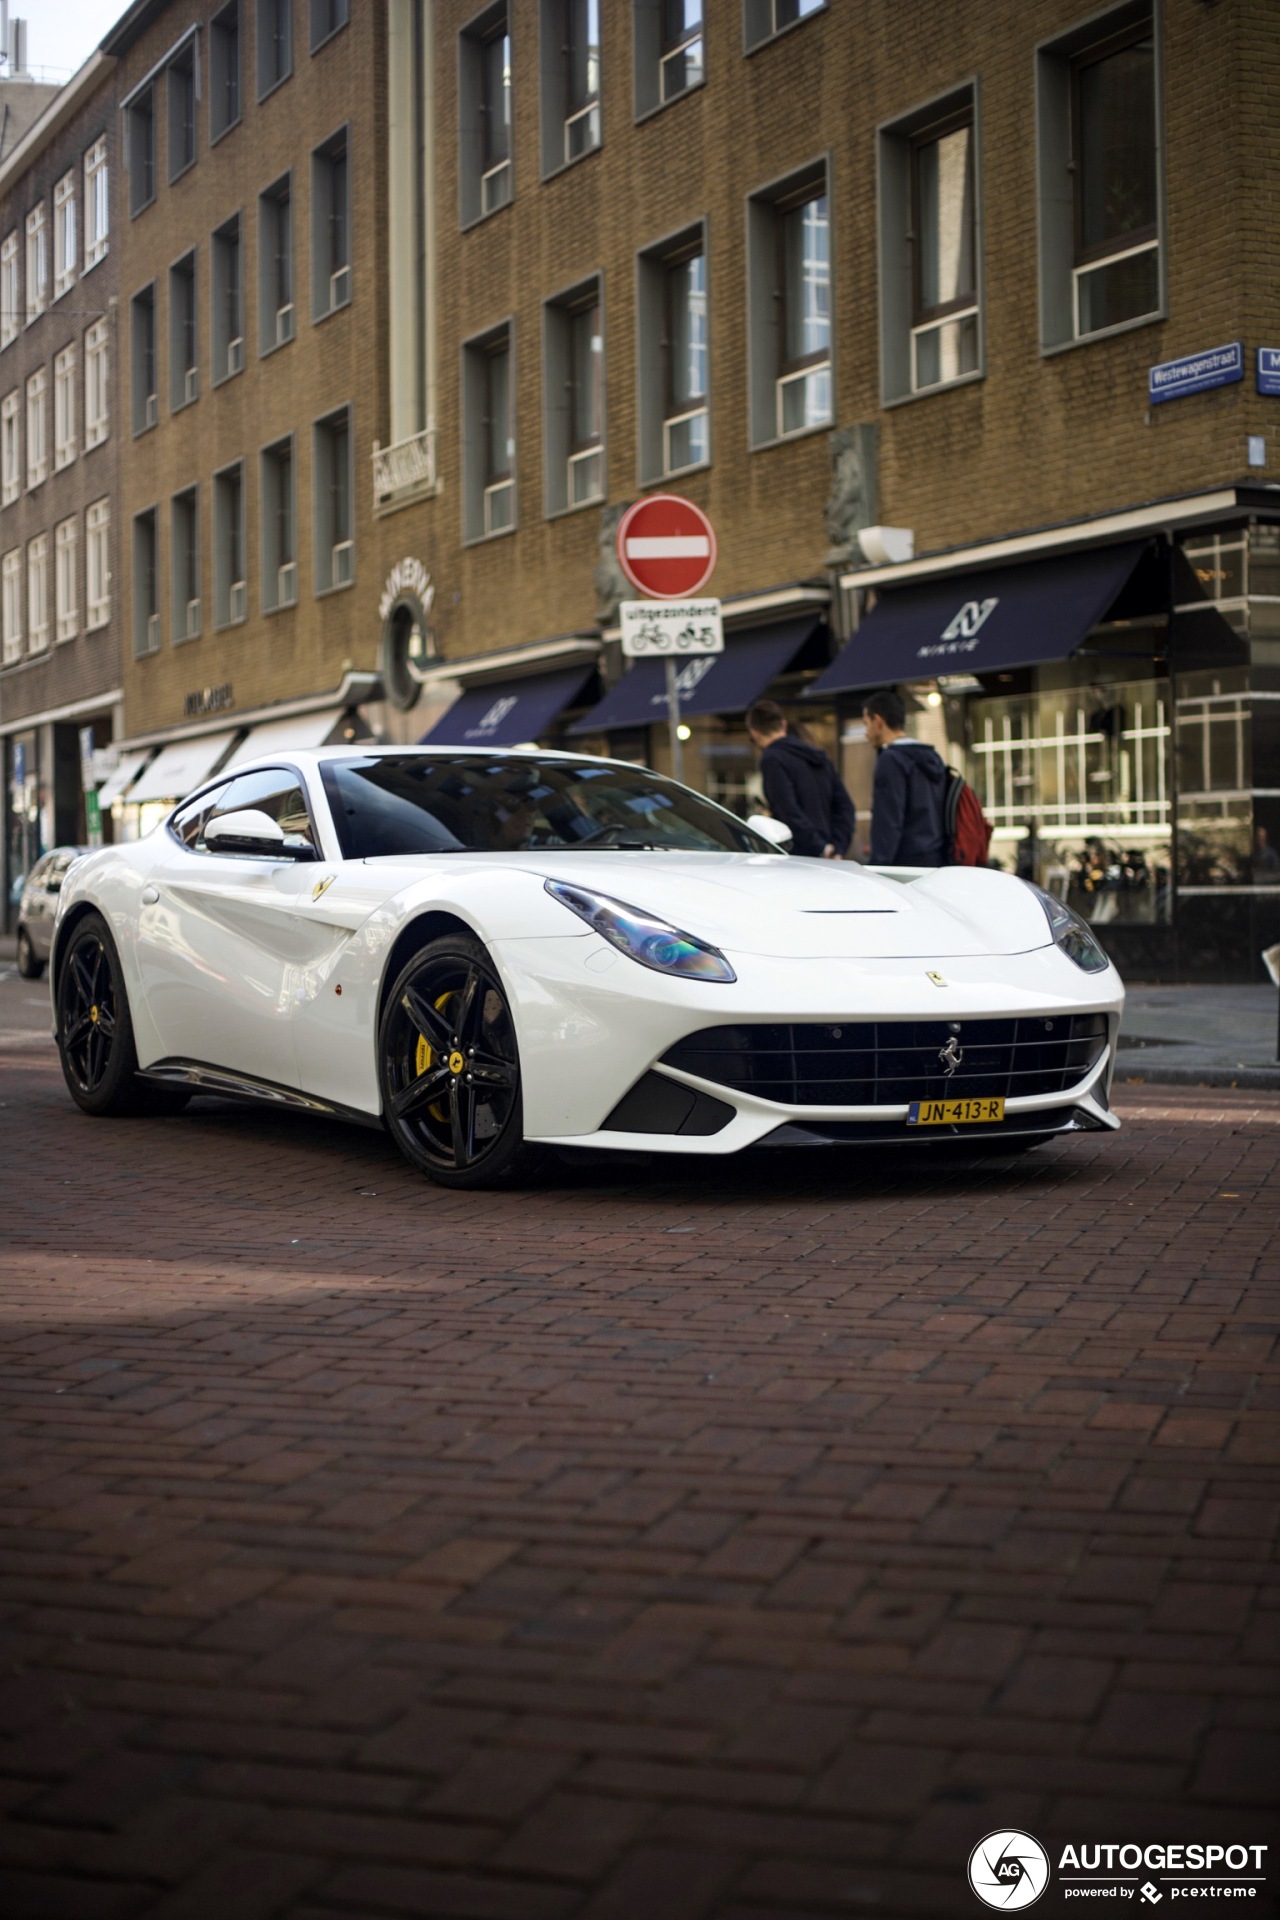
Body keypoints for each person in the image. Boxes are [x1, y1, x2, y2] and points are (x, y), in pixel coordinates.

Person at [745, 700, 855, 860]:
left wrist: (821, 848)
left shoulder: (772, 759)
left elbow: (788, 811)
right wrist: (837, 848)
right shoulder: (819, 756)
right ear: (783, 725)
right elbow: (845, 807)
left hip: (800, 857)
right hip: (830, 855)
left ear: (755, 733)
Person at [861, 688, 949, 866]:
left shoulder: (891, 759)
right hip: (936, 858)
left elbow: (889, 821)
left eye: (866, 724)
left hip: (904, 864)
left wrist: (878, 866)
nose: (866, 732)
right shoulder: (932, 757)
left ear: (878, 721)